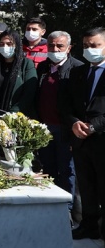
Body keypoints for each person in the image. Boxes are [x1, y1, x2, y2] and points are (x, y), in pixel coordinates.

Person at [64, 27, 105, 241]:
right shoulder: (78, 72)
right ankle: (88, 226)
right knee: (86, 187)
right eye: (86, 46)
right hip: (80, 140)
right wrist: (73, 124)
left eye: (95, 45)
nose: (90, 50)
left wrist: (93, 126)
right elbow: (68, 104)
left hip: (101, 138)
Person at [36, 30, 82, 211]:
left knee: (67, 171)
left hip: (66, 130)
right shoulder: (43, 67)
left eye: (59, 46)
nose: (54, 49)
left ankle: (68, 211)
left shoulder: (77, 69)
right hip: (45, 129)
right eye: (51, 45)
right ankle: (50, 206)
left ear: (69, 48)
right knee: (48, 169)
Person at [0, 30, 37, 122]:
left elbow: (29, 92)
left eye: (9, 44)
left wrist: (14, 112)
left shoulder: (26, 64)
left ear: (17, 45)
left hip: (16, 116)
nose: (5, 47)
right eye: (2, 44)